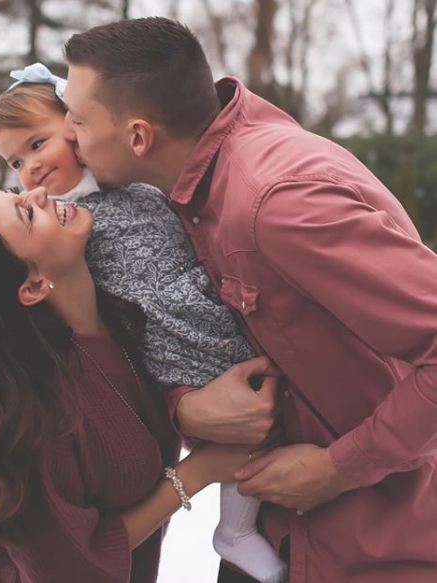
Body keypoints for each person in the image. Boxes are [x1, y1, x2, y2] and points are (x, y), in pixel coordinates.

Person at [61, 16, 437, 583]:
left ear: (139, 136)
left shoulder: (275, 203)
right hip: (278, 532)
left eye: (79, 121)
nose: (69, 138)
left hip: (374, 544)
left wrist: (339, 469)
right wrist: (186, 403)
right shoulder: (194, 185)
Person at [0, 63, 287, 583]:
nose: (29, 172)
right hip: (180, 348)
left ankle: (242, 530)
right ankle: (236, 533)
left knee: (264, 425)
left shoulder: (134, 187)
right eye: (15, 161)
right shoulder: (58, 221)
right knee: (256, 426)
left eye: (37, 144)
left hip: (210, 314)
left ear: (78, 129)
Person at [0, 185, 255, 583]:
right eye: (26, 213)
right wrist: (198, 472)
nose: (39, 191)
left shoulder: (124, 318)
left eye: (17, 192)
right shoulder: (35, 417)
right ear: (32, 286)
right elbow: (66, 569)